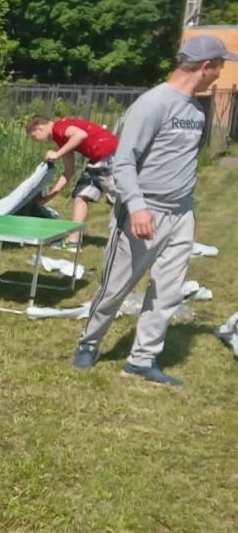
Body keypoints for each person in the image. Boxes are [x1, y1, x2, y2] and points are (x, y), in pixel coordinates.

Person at [72, 34, 236, 386]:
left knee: (168, 289)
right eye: (219, 67)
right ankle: (90, 342)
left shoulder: (195, 109)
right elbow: (124, 161)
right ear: (205, 67)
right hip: (143, 212)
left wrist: (186, 209)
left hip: (181, 215)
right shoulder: (152, 105)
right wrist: (137, 207)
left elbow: (182, 162)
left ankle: (142, 360)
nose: (220, 74)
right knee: (115, 287)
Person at [26, 114, 119, 248]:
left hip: (109, 157)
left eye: (35, 138)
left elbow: (81, 135)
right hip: (97, 160)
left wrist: (56, 154)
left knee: (123, 201)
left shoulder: (59, 128)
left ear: (39, 128)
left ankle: (141, 232)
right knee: (80, 196)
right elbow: (69, 171)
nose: (38, 141)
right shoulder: (61, 139)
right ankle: (73, 243)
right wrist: (51, 195)